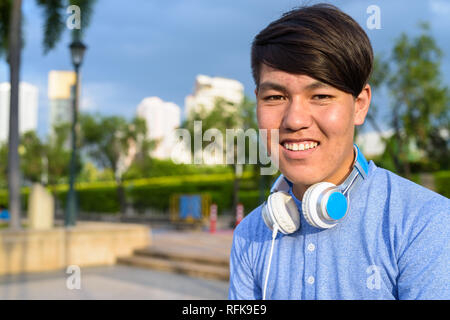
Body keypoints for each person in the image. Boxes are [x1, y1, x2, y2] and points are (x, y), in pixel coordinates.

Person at [228, 3, 450, 300]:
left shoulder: (424, 224)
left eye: (320, 96)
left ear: (360, 104)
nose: (294, 120)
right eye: (276, 96)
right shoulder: (251, 234)